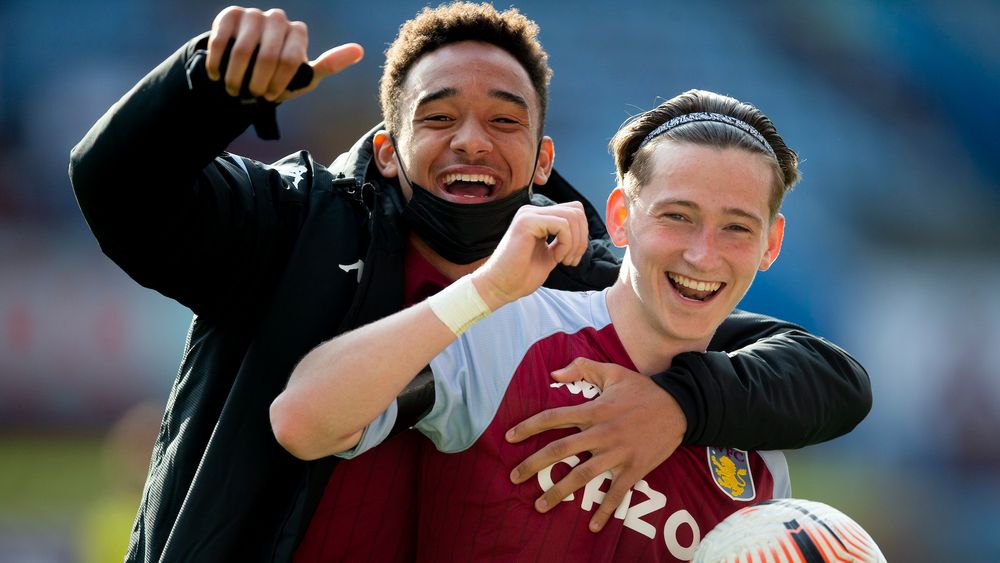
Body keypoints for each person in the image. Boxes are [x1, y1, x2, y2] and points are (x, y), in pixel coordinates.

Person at [68, 3, 870, 561]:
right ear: (386, 149)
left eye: (506, 120)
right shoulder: (294, 224)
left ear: (543, 160)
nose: (473, 142)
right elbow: (115, 188)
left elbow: (825, 373)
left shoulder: (588, 280)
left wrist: (679, 403)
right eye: (439, 116)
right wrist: (206, 87)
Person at [273, 89, 802, 560]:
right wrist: (483, 291)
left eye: (737, 227)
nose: (702, 255)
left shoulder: (758, 466)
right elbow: (301, 422)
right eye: (677, 216)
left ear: (771, 244)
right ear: (621, 218)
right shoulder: (510, 330)